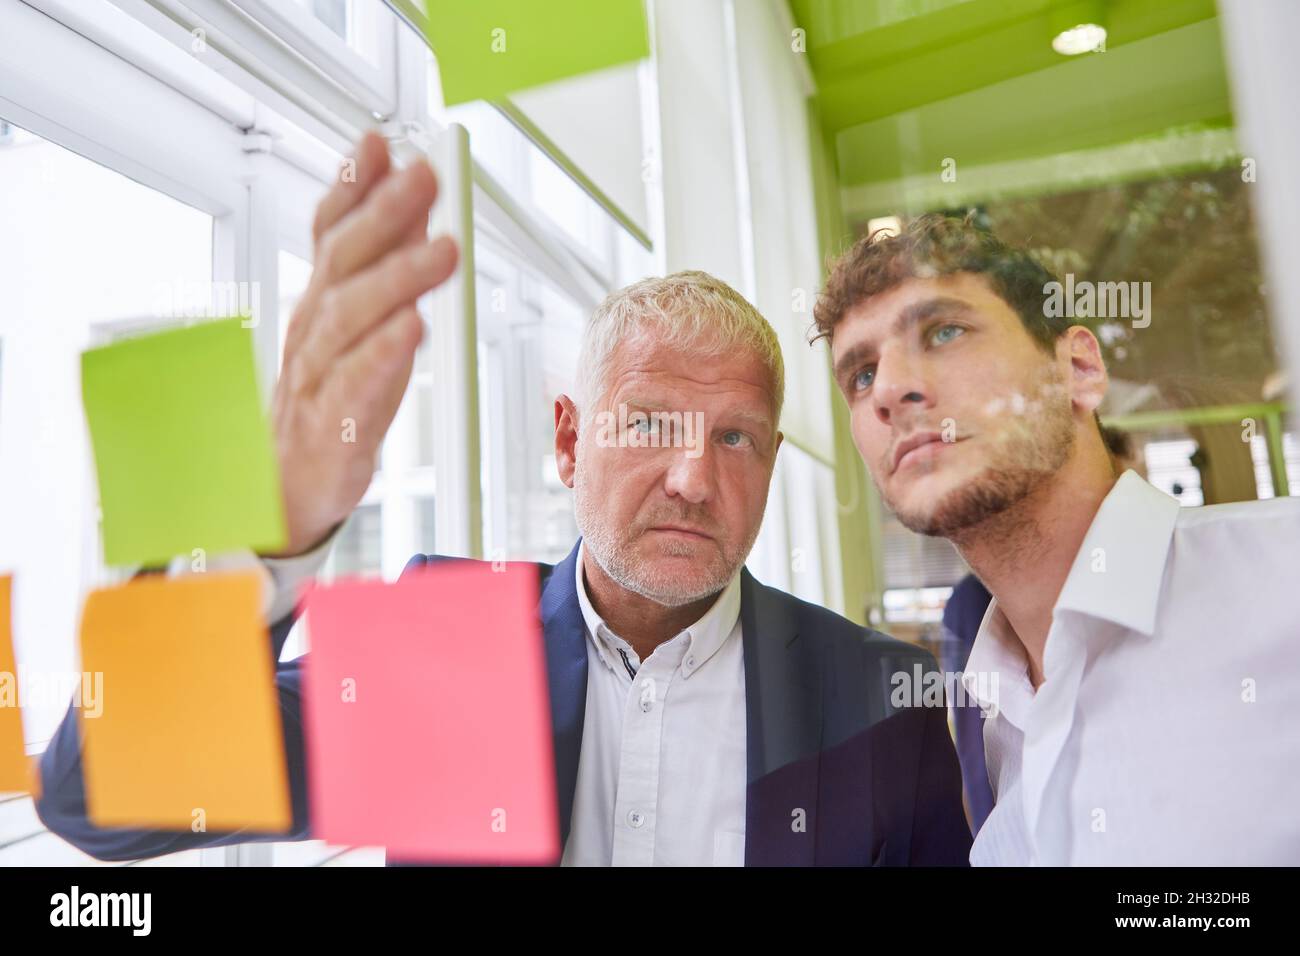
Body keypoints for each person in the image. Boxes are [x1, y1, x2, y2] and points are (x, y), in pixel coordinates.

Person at [35, 133, 971, 867]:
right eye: (648, 425)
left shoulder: (882, 700)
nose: (694, 479)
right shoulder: (451, 649)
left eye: (736, 438)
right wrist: (270, 529)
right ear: (568, 440)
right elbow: (102, 794)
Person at [815, 212, 1300, 865]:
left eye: (944, 330)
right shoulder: (991, 723)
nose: (890, 391)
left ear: (1077, 367)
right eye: (861, 374)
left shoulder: (1281, 576)